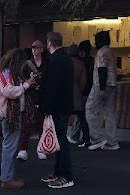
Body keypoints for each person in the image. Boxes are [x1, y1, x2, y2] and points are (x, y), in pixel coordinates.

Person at [0, 47, 38, 189]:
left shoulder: (10, 73)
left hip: (10, 114)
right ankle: (7, 178)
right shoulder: (6, 74)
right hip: (9, 115)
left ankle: (9, 176)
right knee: (9, 146)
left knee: (10, 146)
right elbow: (8, 91)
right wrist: (26, 85)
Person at [43, 31, 77, 190]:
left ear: (49, 43)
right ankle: (58, 172)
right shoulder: (66, 59)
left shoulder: (56, 60)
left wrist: (46, 106)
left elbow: (53, 86)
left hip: (58, 106)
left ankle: (66, 175)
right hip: (64, 104)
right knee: (59, 139)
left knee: (61, 140)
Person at [86, 30, 119, 151]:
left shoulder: (101, 53)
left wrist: (101, 89)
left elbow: (102, 70)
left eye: (96, 40)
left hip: (100, 85)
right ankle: (113, 141)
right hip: (112, 85)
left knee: (89, 109)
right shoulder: (110, 52)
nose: (95, 42)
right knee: (109, 113)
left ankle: (97, 138)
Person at [18, 39, 47, 161]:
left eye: (37, 47)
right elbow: (20, 78)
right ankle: (23, 149)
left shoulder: (47, 64)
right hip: (29, 96)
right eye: (33, 47)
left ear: (42, 49)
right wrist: (28, 83)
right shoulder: (27, 64)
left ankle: (41, 148)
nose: (34, 49)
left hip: (42, 96)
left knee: (42, 124)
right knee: (27, 124)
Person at [71, 41, 91, 147]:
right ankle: (86, 139)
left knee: (62, 118)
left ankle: (60, 139)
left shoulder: (64, 63)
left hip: (65, 96)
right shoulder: (81, 64)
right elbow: (83, 82)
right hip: (77, 94)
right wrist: (80, 91)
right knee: (82, 118)